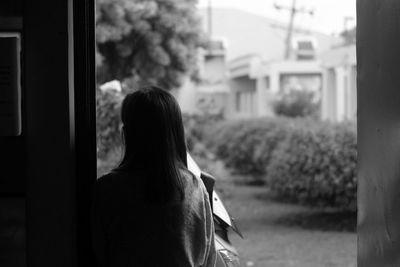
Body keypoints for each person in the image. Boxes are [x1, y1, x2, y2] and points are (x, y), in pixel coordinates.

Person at [91, 86, 216, 267]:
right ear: (176, 132)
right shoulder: (194, 186)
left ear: (128, 133)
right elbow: (208, 258)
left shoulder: (107, 189)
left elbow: (99, 253)